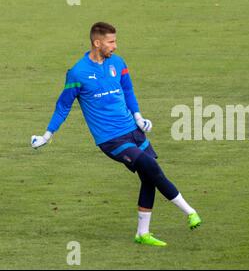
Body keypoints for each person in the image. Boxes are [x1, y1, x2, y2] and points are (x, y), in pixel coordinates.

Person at [31, 22, 201, 247]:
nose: (115, 46)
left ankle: (142, 233)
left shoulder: (118, 63)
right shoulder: (78, 73)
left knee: (148, 176)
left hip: (132, 130)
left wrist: (139, 117)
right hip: (111, 139)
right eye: (111, 42)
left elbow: (128, 90)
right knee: (151, 167)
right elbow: (63, 106)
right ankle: (190, 212)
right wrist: (47, 135)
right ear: (97, 42)